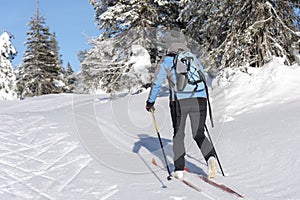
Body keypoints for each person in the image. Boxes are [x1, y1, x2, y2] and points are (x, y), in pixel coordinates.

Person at [145, 43, 218, 179]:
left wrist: (150, 102)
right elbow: (203, 76)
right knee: (199, 133)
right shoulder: (193, 58)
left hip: (179, 101)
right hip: (200, 98)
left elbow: (157, 83)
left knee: (179, 134)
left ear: (169, 51)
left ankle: (179, 169)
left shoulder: (167, 60)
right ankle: (210, 158)